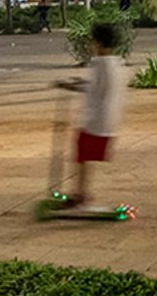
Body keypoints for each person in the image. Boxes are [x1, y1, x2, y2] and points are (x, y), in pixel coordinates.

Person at [55, 20, 126, 209]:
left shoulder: (101, 64)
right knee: (83, 157)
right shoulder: (116, 63)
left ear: (99, 43)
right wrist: (78, 83)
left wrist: (70, 86)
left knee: (81, 156)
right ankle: (81, 192)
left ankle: (81, 194)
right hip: (107, 120)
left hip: (96, 121)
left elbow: (93, 89)